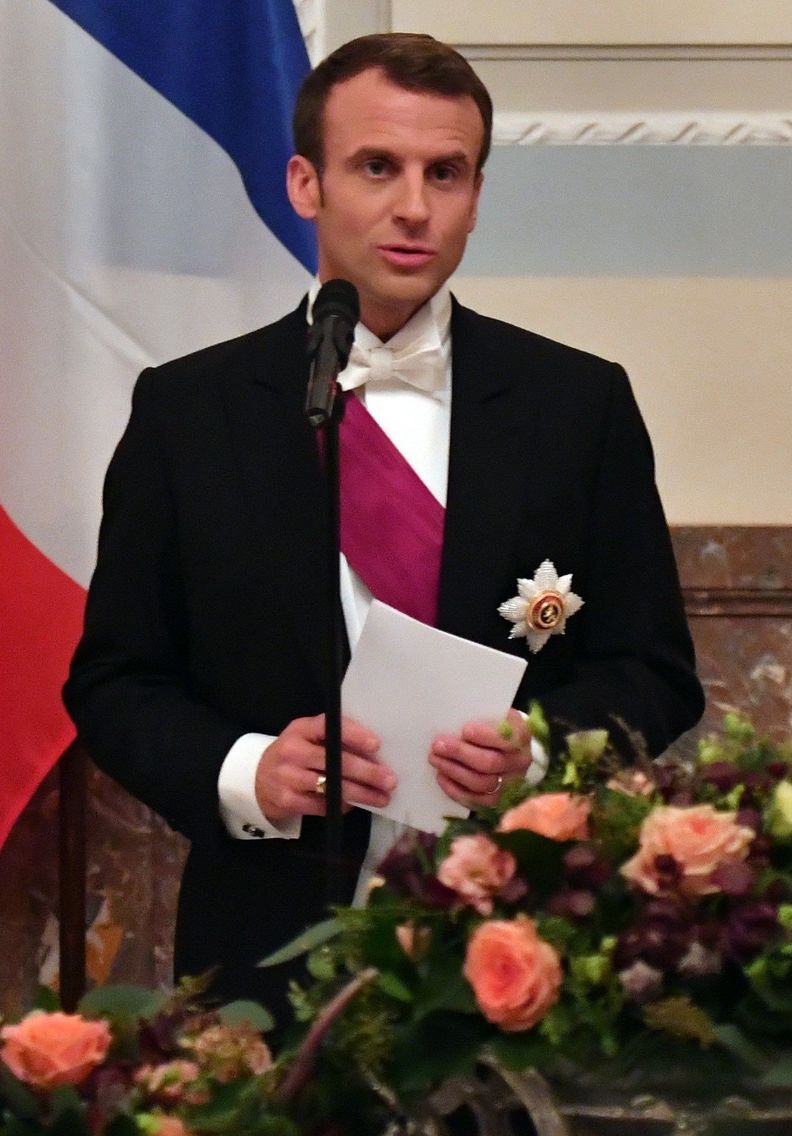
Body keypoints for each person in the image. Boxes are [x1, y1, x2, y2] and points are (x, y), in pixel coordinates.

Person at [63, 33, 704, 1023]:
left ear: (476, 196)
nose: (414, 207)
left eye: (445, 173)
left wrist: (536, 752)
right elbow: (116, 680)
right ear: (305, 183)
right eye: (376, 167)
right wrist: (248, 769)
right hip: (263, 947)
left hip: (523, 945)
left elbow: (653, 670)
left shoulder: (577, 405)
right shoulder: (188, 412)